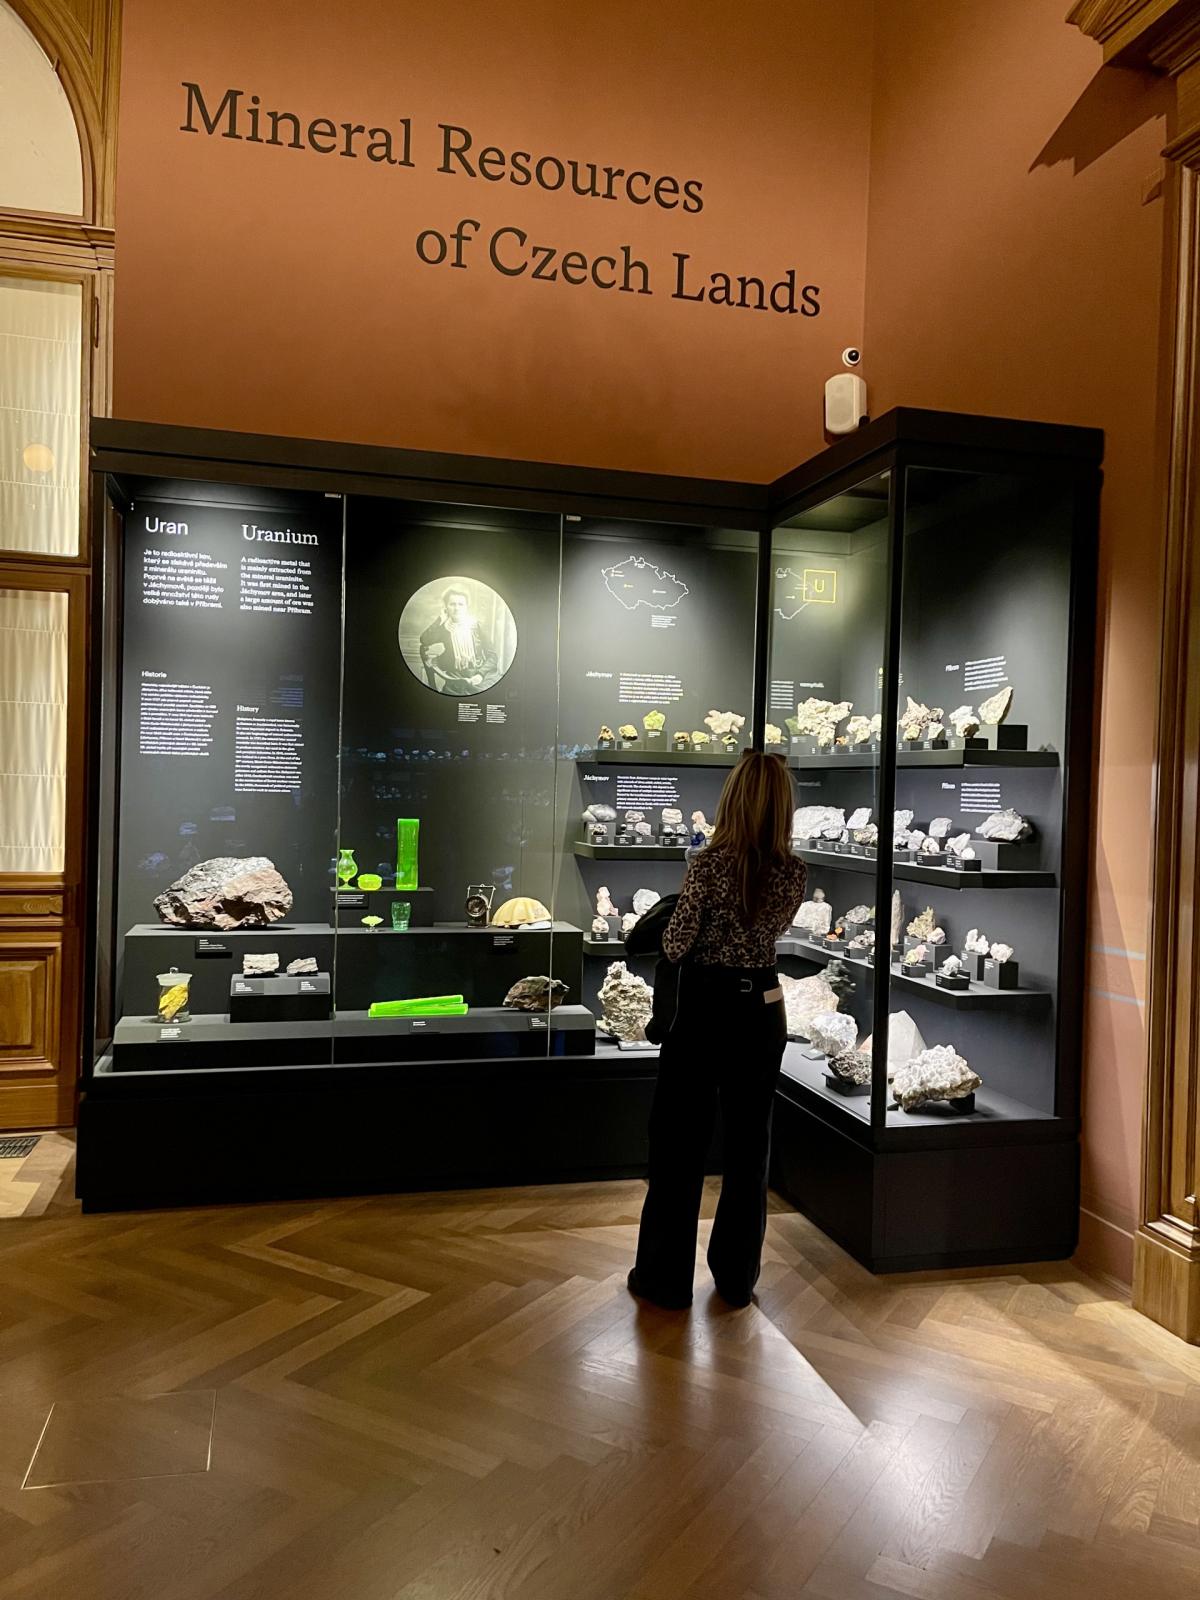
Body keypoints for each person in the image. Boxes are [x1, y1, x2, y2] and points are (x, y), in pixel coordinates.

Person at [628, 749, 805, 1311]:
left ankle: (665, 1279)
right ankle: (736, 1278)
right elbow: (771, 931)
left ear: (733, 799)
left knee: (679, 1143)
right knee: (750, 1149)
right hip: (762, 1010)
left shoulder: (708, 865)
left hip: (704, 1009)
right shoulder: (794, 871)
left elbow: (677, 942)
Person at [419, 585, 498, 693]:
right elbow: (424, 640)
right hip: (456, 676)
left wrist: (480, 675)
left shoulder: (476, 626)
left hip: (481, 674)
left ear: (466, 606)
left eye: (461, 604)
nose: (457, 608)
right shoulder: (445, 628)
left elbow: (492, 655)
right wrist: (439, 619)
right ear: (446, 607)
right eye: (452, 604)